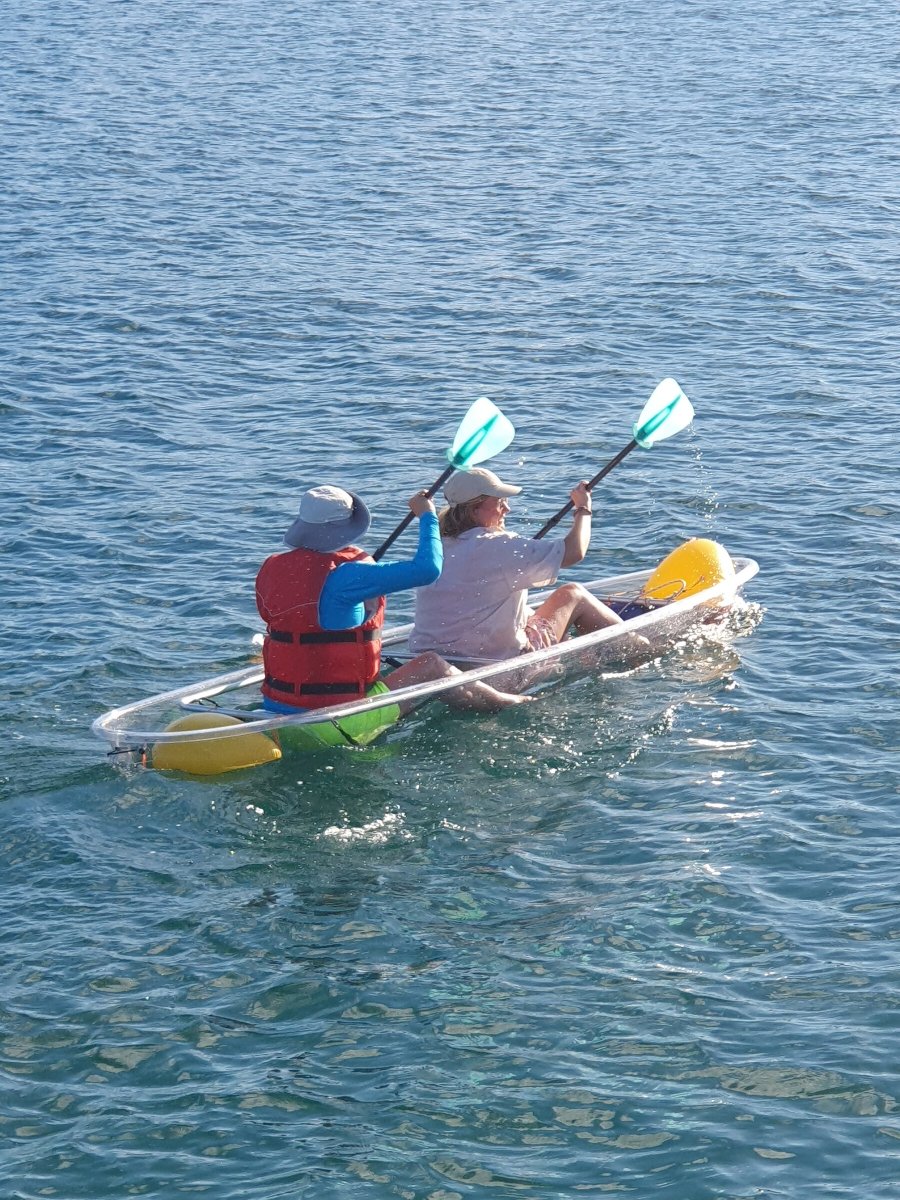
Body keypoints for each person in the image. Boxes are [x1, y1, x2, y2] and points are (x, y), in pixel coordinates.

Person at [255, 484, 527, 746]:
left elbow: (289, 615)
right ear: (348, 526)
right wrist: (427, 515)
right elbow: (428, 569)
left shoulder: (272, 566)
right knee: (431, 664)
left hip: (276, 714)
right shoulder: (350, 574)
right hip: (337, 722)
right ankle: (506, 702)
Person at [410, 466, 632, 666]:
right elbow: (575, 551)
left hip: (440, 660)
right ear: (475, 509)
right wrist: (583, 508)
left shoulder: (436, 546)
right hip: (496, 665)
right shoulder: (498, 546)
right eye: (499, 502)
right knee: (573, 595)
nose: (507, 508)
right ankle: (639, 648)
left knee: (528, 612)